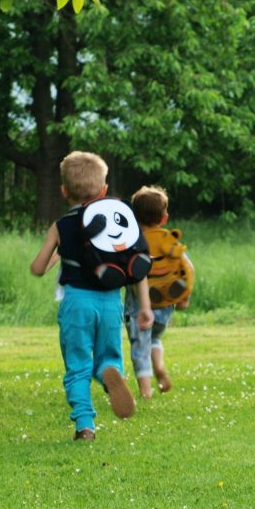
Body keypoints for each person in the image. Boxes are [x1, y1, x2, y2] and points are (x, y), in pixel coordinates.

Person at [30, 151, 154, 441]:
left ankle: (85, 424)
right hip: (111, 300)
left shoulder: (61, 226)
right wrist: (144, 307)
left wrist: (56, 254)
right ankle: (110, 373)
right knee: (108, 356)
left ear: (64, 191)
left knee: (77, 364)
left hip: (76, 303)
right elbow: (136, 265)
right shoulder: (117, 220)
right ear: (104, 190)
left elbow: (38, 267)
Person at [125, 185, 193, 399]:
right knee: (154, 339)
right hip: (164, 308)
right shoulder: (168, 242)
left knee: (139, 347)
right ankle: (160, 367)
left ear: (134, 218)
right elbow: (186, 270)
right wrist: (183, 298)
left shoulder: (132, 243)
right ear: (164, 219)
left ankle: (145, 392)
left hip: (139, 309)